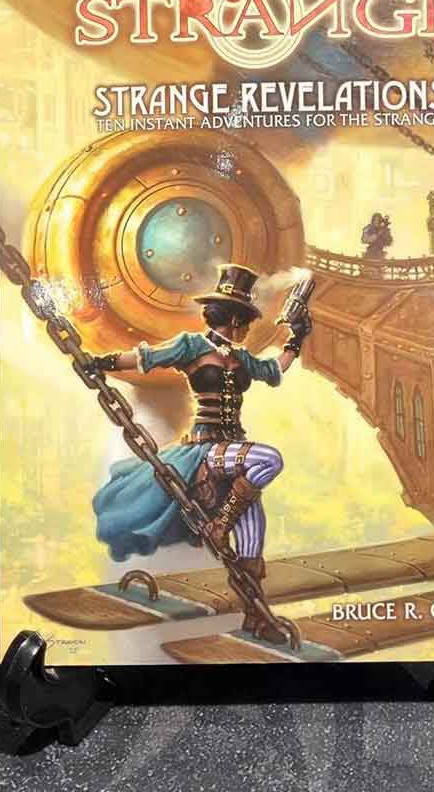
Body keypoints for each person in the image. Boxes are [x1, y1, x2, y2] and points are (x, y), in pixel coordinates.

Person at [91, 264, 311, 643]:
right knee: (270, 459)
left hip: (235, 450)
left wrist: (297, 339)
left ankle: (256, 618)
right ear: (232, 319)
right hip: (204, 450)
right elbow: (146, 358)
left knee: (253, 537)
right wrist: (102, 362)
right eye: (244, 321)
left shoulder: (241, 358)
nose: (247, 328)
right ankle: (220, 524)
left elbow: (274, 370)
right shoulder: (191, 346)